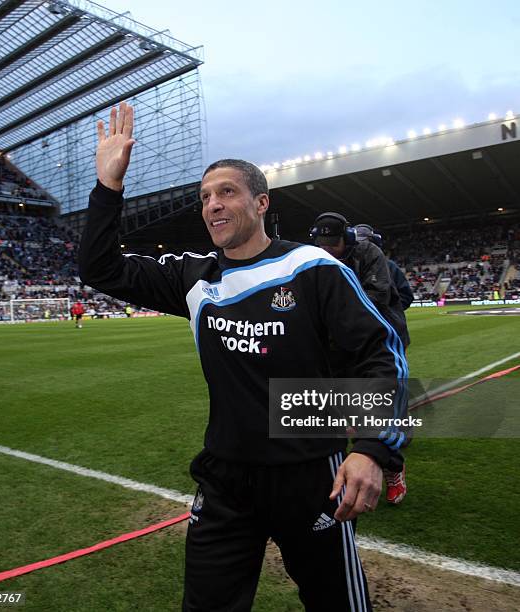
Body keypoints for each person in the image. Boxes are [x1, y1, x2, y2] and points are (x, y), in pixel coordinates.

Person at [79, 101, 407, 611]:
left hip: (309, 474)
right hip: (225, 479)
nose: (212, 204)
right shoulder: (194, 277)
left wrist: (369, 449)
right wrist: (108, 188)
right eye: (205, 197)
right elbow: (100, 268)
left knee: (337, 603)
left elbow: (381, 356)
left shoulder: (311, 267)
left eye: (226, 192)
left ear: (261, 203)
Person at [311, 214, 409, 505]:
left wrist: (331, 310)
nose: (328, 250)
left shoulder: (369, 253)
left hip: (374, 340)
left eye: (334, 244)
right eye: (322, 244)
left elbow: (376, 297)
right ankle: (342, 469)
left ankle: (393, 466)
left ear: (348, 239)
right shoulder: (314, 257)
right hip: (337, 345)